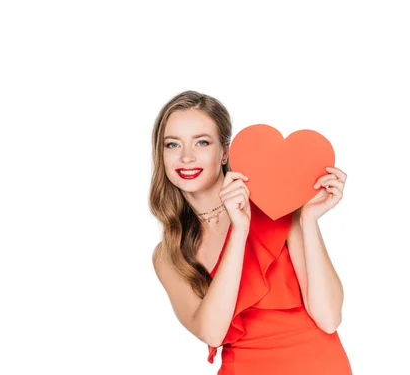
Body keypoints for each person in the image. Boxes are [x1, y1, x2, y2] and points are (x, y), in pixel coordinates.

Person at [150, 90, 352, 374]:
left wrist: (308, 221)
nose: (186, 157)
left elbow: (329, 318)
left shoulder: (278, 207)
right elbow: (212, 333)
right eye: (172, 144)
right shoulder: (169, 253)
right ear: (161, 153)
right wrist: (239, 231)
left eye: (202, 142)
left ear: (224, 153)